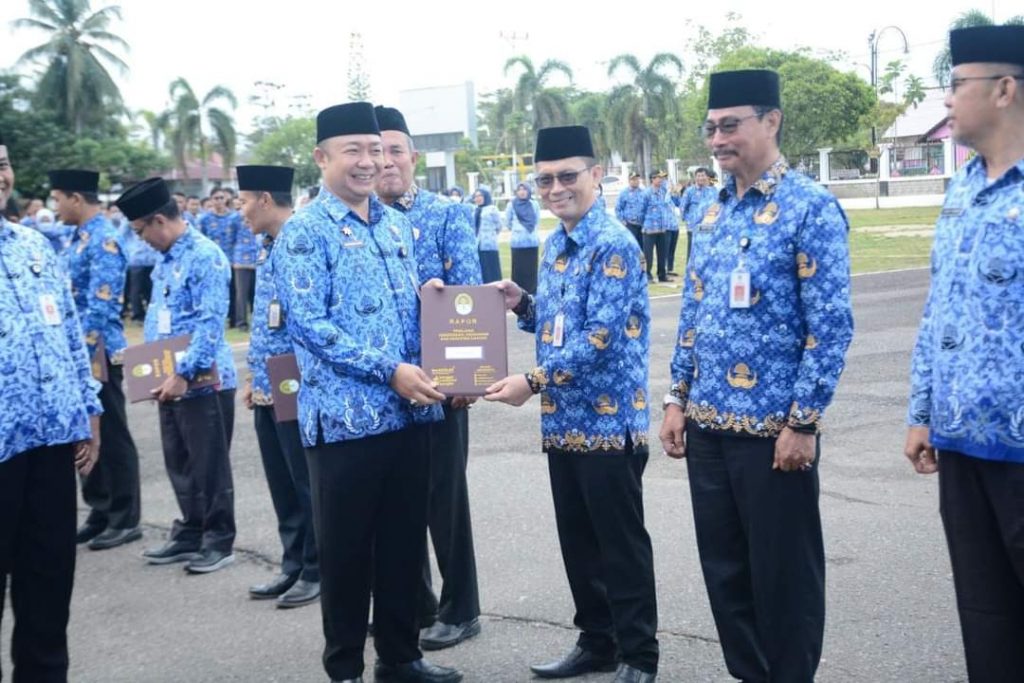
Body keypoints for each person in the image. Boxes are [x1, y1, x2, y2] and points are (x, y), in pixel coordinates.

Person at [659, 69, 854, 683]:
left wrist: (804, 421)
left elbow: (830, 326)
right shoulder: (710, 211)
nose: (717, 139)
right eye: (711, 127)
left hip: (773, 435)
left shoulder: (809, 207)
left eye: (731, 125)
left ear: (771, 122)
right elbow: (692, 310)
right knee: (726, 572)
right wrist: (675, 397)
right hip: (708, 427)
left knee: (783, 575)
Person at [273, 101, 462, 683]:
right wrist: (389, 370)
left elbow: (412, 315)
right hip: (346, 424)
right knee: (348, 555)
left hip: (410, 418)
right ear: (322, 157)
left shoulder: (396, 224)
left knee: (404, 548)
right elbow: (309, 326)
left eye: (375, 149)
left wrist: (446, 349)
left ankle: (401, 658)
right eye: (353, 150)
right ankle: (345, 669)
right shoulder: (305, 231)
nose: (367, 161)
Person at [486, 125, 659, 683]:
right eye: (545, 179)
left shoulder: (614, 244)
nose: (556, 188)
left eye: (568, 176)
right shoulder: (558, 241)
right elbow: (564, 327)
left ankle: (638, 655)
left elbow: (601, 338)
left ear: (596, 176)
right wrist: (523, 304)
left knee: (620, 546)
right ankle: (597, 643)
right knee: (580, 544)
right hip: (565, 423)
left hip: (610, 424)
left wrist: (532, 382)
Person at [903, 24, 1024, 682]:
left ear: (1004, 89)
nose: (947, 100)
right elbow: (938, 309)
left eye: (957, 85)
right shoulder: (963, 188)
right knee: (987, 619)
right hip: (962, 444)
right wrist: (921, 412)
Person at [373, 105, 484, 651]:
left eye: (396, 150)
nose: (387, 161)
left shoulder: (445, 216)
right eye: (377, 151)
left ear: (414, 157)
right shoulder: (361, 223)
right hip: (382, 389)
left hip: (439, 387)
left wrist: (465, 379)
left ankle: (461, 608)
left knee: (444, 501)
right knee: (396, 503)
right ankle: (416, 606)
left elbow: (471, 296)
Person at [0, 132, 103, 683]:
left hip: (50, 442)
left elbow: (68, 333)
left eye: (4, 163)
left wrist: (88, 411)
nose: (2, 174)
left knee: (47, 587)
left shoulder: (33, 246)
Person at [116, 177, 238, 575]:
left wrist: (185, 372)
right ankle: (190, 531)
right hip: (166, 377)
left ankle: (218, 540)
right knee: (180, 462)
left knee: (208, 465)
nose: (141, 241)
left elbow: (210, 323)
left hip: (202, 379)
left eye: (140, 231)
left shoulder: (205, 255)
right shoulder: (165, 258)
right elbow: (160, 318)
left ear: (158, 221)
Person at [236, 164, 321, 609]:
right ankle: (292, 562)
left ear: (265, 199)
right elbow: (265, 321)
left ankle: (315, 566)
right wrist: (254, 376)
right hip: (270, 381)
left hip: (297, 380)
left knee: (305, 481)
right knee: (281, 481)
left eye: (244, 201)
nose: (241, 210)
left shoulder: (301, 239)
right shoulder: (266, 247)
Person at [49, 169, 142, 551]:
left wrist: (84, 357)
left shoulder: (104, 239)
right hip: (78, 354)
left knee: (112, 434)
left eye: (57, 198)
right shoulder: (77, 238)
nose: (55, 206)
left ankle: (124, 516)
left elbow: (102, 307)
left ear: (74, 198)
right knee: (82, 430)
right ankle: (100, 509)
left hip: (98, 350)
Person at [198, 187, 241, 326]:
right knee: (213, 290)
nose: (219, 201)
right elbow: (201, 239)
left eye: (222, 198)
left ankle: (233, 319)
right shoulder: (205, 218)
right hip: (212, 261)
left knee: (233, 291)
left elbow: (237, 238)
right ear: (211, 200)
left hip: (230, 259)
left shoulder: (234, 217)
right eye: (216, 198)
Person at [675, 168, 717, 270]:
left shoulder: (713, 191)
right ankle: (691, 271)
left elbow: (717, 207)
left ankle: (706, 269)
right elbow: (683, 207)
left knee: (707, 248)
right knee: (692, 250)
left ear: (707, 177)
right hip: (693, 227)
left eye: (703, 175)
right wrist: (688, 220)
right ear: (695, 178)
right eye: (698, 176)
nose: (701, 178)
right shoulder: (690, 191)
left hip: (709, 226)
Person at [506, 182, 541, 294]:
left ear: (528, 191)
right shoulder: (511, 205)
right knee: (518, 269)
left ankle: (531, 293)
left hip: (531, 241)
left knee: (531, 269)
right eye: (519, 189)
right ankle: (517, 293)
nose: (522, 192)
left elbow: (537, 220)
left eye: (524, 189)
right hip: (518, 242)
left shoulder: (534, 204)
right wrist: (518, 229)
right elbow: (508, 222)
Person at [640, 171, 674, 282]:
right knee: (648, 255)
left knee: (662, 254)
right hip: (649, 229)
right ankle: (648, 275)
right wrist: (644, 224)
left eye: (661, 178)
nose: (660, 180)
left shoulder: (663, 191)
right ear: (652, 179)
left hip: (662, 228)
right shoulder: (646, 193)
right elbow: (641, 211)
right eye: (658, 178)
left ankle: (662, 275)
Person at [472, 187, 503, 283]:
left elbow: (499, 225)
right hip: (477, 244)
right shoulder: (474, 210)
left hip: (489, 244)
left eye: (480, 196)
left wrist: (491, 235)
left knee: (491, 269)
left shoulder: (492, 209)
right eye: (476, 196)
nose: (478, 198)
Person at [615, 171, 645, 246]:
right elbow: (618, 208)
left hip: (641, 225)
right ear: (629, 181)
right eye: (633, 179)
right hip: (630, 225)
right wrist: (622, 221)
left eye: (637, 179)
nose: (636, 181)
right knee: (631, 246)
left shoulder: (643, 192)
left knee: (642, 248)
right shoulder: (624, 193)